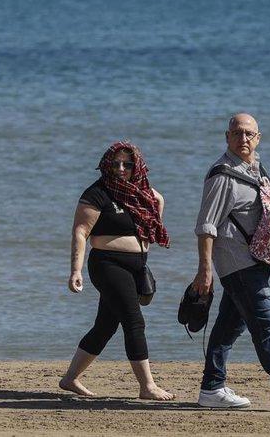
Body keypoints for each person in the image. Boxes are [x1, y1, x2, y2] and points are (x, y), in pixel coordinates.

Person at [192, 113, 270, 411]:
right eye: (237, 133)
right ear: (227, 137)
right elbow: (205, 226)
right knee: (265, 325)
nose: (244, 139)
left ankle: (211, 389)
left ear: (258, 137)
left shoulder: (256, 169)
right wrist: (204, 269)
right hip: (237, 263)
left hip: (255, 259)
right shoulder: (222, 175)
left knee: (228, 327)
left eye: (249, 134)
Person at [60, 141, 174, 401]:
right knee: (134, 321)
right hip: (107, 264)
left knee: (105, 326)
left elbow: (152, 232)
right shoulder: (97, 193)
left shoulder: (149, 196)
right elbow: (80, 232)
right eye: (115, 163)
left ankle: (70, 379)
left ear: (138, 166)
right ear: (106, 165)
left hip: (137, 267)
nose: (121, 169)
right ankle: (147, 386)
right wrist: (75, 270)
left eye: (128, 164)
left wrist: (142, 262)